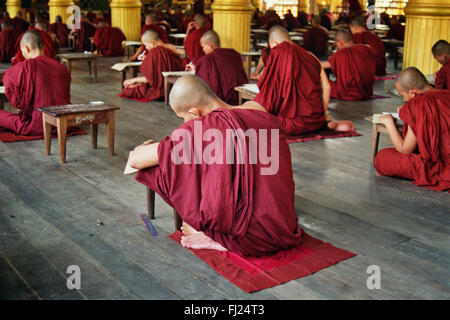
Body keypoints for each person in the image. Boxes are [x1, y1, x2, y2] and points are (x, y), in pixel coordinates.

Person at [129, 75, 303, 256]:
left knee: (161, 168)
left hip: (248, 235)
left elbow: (136, 160)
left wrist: (145, 146)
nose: (184, 123)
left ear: (195, 112)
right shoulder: (257, 109)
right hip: (282, 223)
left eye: (183, 117)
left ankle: (218, 237)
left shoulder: (198, 130)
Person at [254, 26, 354, 136]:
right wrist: (322, 114)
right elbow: (327, 88)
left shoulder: (279, 55)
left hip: (291, 124)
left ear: (275, 43)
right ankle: (327, 124)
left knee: (259, 120)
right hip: (316, 122)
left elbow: (268, 98)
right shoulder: (311, 56)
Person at [374, 67, 449, 191]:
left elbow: (405, 149)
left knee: (382, 158)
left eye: (403, 95)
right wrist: (409, 113)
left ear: (413, 92)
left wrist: (389, 122)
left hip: (442, 166)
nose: (403, 100)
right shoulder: (446, 93)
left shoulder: (419, 104)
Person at [0, 31, 71, 136]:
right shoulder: (60, 67)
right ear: (44, 46)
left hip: (36, 124)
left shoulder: (23, 68)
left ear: (27, 48)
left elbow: (16, 101)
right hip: (63, 122)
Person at [187, 30, 248, 105]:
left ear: (210, 46)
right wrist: (196, 68)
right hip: (240, 97)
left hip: (220, 102)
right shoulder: (234, 54)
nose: (203, 50)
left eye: (203, 47)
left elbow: (204, 84)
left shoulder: (206, 60)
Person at [120, 30, 183, 102]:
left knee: (127, 90)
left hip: (160, 91)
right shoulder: (172, 47)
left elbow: (151, 78)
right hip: (175, 87)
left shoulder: (154, 52)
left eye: (146, 45)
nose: (146, 48)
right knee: (137, 87)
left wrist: (134, 80)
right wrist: (147, 59)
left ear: (152, 42)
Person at [321, 28, 375, 101]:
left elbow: (324, 65)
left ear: (340, 42)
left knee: (322, 84)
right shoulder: (365, 49)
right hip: (367, 92)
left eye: (337, 45)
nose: (338, 47)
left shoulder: (342, 53)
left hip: (349, 92)